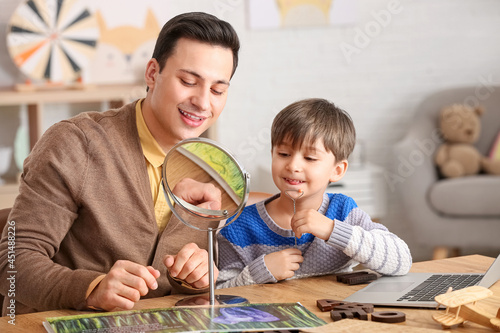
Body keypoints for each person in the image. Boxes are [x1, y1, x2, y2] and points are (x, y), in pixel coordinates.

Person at [0, 12, 240, 314]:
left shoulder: (211, 170)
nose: (204, 103)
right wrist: (91, 288)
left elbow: (181, 283)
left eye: (218, 90)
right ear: (152, 73)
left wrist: (198, 277)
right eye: (188, 81)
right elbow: (13, 263)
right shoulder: (76, 144)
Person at [216, 98, 412, 289]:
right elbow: (220, 293)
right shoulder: (238, 227)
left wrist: (331, 230)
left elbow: (401, 261)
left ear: (337, 170)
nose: (293, 166)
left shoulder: (343, 212)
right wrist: (260, 272)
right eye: (284, 154)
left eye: (310, 158)